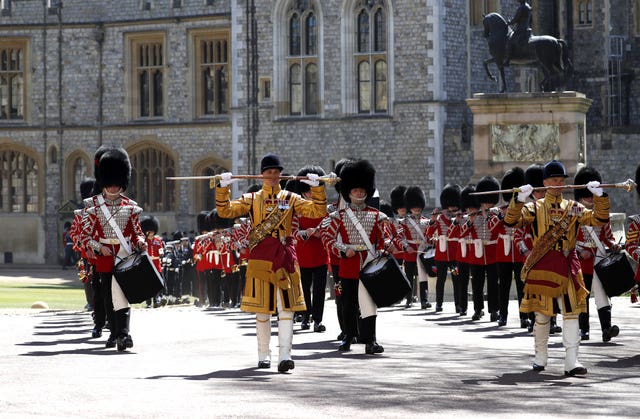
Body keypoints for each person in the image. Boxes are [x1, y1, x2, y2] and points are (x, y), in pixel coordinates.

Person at [215, 153, 328, 373]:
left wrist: (317, 188)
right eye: (269, 173)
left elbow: (317, 211)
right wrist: (223, 187)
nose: (273, 176)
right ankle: (263, 355)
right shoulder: (252, 199)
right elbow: (225, 210)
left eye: (276, 172)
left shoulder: (291, 198)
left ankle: (285, 355)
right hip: (260, 259)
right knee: (262, 311)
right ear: (262, 175)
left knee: (286, 310)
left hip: (285, 257)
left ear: (281, 175)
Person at [503, 159, 610, 376]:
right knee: (542, 316)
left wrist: (600, 197)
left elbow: (599, 219)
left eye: (561, 180)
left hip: (569, 265)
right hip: (543, 266)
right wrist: (518, 200)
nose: (559, 183)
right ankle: (540, 356)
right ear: (545, 182)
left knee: (572, 313)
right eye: (554, 180)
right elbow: (512, 221)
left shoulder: (574, 207)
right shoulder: (535, 207)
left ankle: (572, 361)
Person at [79, 147, 147, 351]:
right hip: (105, 257)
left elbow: (137, 232)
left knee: (123, 296)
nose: (114, 188)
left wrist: (141, 242)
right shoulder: (93, 207)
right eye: (110, 185)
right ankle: (114, 333)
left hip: (124, 255)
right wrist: (100, 247)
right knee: (109, 297)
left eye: (117, 185)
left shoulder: (130, 207)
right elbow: (85, 236)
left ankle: (123, 334)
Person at [320, 159, 389, 355]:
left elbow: (382, 240)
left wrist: (384, 252)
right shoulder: (338, 217)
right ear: (348, 191)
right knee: (348, 304)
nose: (359, 193)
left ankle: (370, 339)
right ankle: (348, 336)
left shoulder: (377, 216)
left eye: (361, 190)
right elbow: (327, 239)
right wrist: (343, 249)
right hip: (348, 264)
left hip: (369, 264)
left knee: (369, 304)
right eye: (355, 190)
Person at [574, 166, 621, 342]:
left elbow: (608, 237)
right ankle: (584, 329)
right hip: (581, 260)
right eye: (586, 195)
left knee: (602, 295)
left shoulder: (602, 213)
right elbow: (569, 240)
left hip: (599, 258)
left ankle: (606, 329)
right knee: (583, 295)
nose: (589, 198)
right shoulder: (574, 212)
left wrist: (614, 245)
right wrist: (580, 252)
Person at [291, 165, 329, 333]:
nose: (310, 194)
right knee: (304, 288)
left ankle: (318, 320)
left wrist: (319, 233)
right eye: (307, 191)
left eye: (312, 191)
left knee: (320, 290)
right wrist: (304, 233)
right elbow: (293, 231)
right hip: (303, 254)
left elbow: (329, 229)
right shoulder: (297, 210)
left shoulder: (324, 209)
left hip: (320, 253)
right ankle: (305, 317)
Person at [460, 176, 500, 321]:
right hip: (476, 254)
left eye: (490, 201)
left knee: (493, 284)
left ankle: (494, 309)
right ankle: (478, 309)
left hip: (492, 253)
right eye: (485, 201)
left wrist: (490, 217)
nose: (487, 204)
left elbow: (498, 230)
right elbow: (462, 233)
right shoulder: (472, 216)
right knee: (476, 284)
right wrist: (470, 222)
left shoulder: (496, 214)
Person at [493, 167, 528, 328]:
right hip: (503, 253)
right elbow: (492, 232)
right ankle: (503, 315)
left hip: (519, 252)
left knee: (522, 287)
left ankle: (524, 316)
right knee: (503, 286)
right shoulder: (499, 212)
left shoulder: (525, 210)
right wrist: (501, 218)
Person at [426, 184, 461, 313]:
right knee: (440, 280)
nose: (451, 209)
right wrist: (433, 220)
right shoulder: (440, 219)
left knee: (456, 279)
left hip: (454, 255)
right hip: (441, 255)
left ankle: (458, 304)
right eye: (449, 207)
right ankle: (439, 304)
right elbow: (428, 234)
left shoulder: (460, 218)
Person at [399, 186, 431, 310]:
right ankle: (409, 299)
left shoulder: (426, 221)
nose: (416, 208)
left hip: (422, 251)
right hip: (410, 252)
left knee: (423, 277)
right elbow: (399, 238)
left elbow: (429, 236)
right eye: (414, 206)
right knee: (409, 277)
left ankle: (424, 300)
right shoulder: (404, 222)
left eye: (418, 206)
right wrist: (407, 247)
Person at [140, 215, 164, 308]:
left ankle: (156, 300)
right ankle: (148, 302)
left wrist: (161, 253)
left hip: (156, 264)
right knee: (148, 284)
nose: (151, 233)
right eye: (149, 231)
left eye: (152, 231)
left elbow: (160, 249)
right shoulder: (143, 241)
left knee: (157, 283)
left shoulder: (158, 240)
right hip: (148, 264)